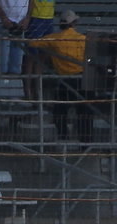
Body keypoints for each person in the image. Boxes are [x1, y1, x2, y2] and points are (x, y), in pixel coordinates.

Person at [35, 9, 92, 141]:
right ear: (75, 23)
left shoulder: (54, 39)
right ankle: (86, 141)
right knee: (85, 112)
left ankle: (63, 137)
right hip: (82, 79)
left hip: (65, 81)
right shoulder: (83, 39)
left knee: (60, 111)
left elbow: (34, 43)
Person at [0, 0, 31, 75]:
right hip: (1, 22)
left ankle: (14, 84)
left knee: (16, 68)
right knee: (1, 66)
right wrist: (3, 18)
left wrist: (27, 18)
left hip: (21, 23)